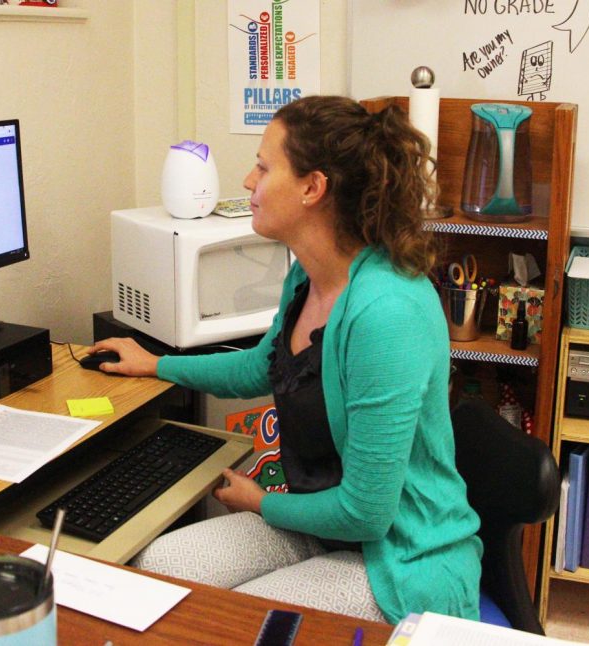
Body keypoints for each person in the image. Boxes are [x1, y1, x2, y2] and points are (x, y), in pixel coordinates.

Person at [89, 95, 482, 624]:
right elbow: (260, 367)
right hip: (320, 522)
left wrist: (259, 501)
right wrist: (155, 364)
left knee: (239, 621)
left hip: (402, 554)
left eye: (263, 166)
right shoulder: (307, 275)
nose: (248, 182)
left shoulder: (387, 312)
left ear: (312, 188)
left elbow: (366, 513)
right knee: (159, 562)